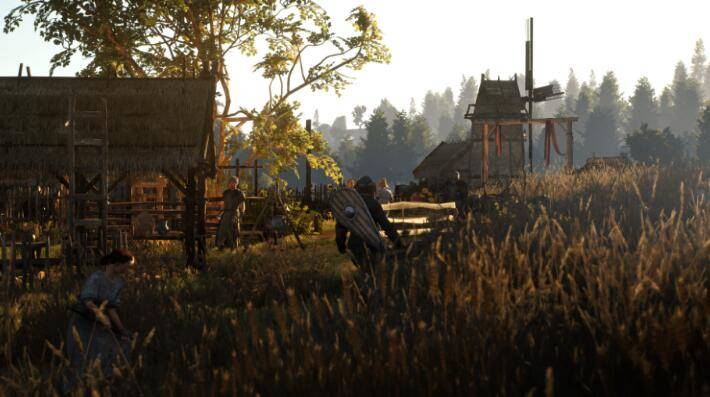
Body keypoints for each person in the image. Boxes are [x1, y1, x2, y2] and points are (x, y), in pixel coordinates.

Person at [64, 249, 135, 392]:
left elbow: (111, 308)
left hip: (102, 323)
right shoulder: (96, 278)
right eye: (126, 266)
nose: (127, 270)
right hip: (84, 322)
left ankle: (105, 385)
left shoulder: (119, 283)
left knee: (118, 346)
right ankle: (78, 389)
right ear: (116, 264)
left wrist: (121, 329)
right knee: (84, 356)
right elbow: (88, 301)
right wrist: (101, 316)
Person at [336, 176, 401, 268]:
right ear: (372, 189)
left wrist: (341, 245)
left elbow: (341, 226)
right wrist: (398, 242)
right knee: (373, 271)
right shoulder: (374, 204)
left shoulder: (350, 205)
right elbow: (386, 226)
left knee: (364, 271)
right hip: (373, 244)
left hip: (355, 245)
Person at [216, 176, 246, 250]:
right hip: (226, 213)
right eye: (231, 182)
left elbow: (242, 204)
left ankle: (233, 246)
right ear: (229, 183)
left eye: (234, 182)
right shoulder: (226, 192)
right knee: (222, 227)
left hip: (234, 213)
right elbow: (223, 205)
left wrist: (241, 213)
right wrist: (219, 214)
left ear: (236, 183)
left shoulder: (239, 193)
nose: (232, 184)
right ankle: (221, 245)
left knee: (233, 228)